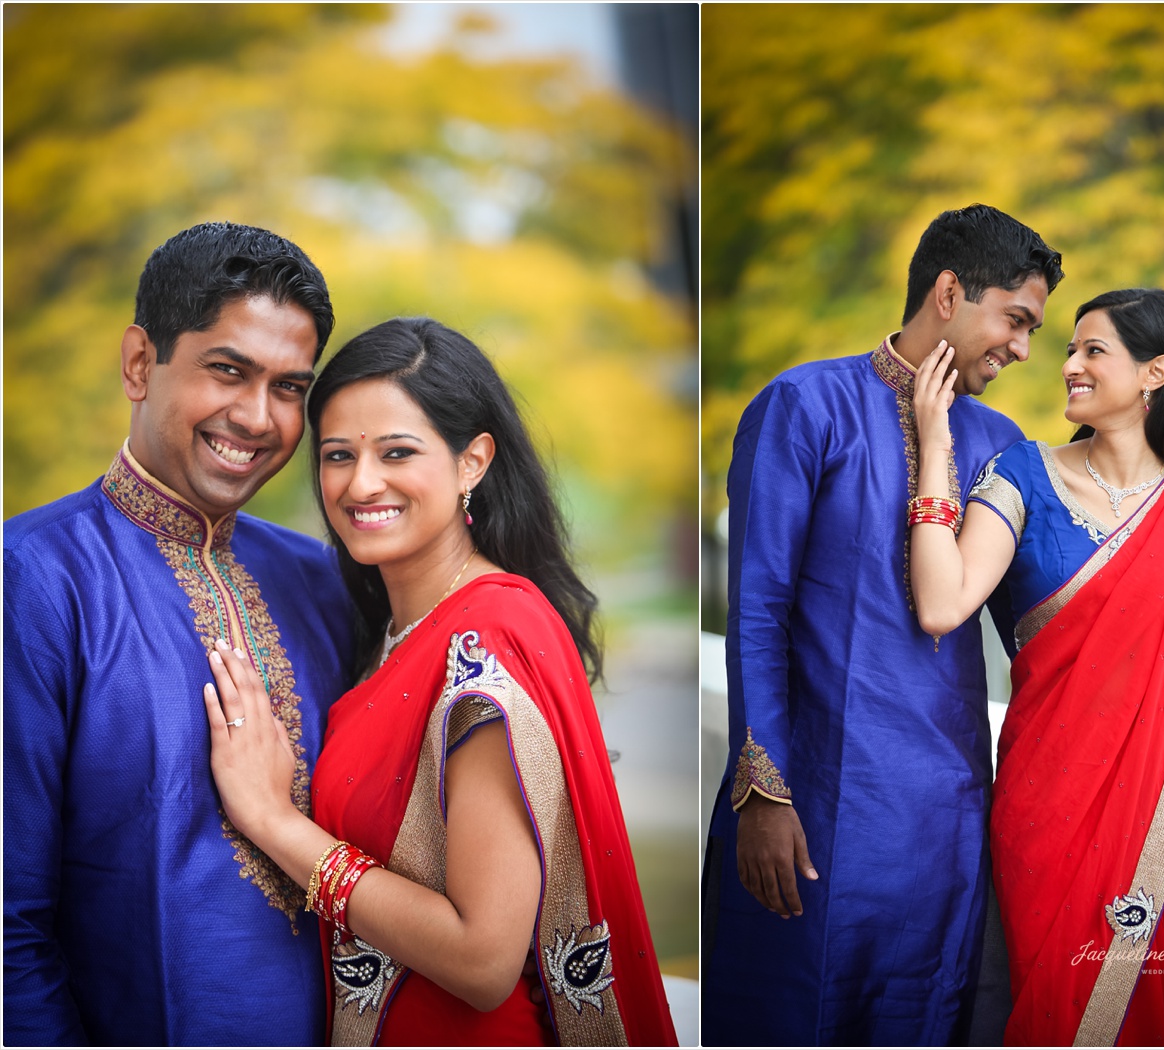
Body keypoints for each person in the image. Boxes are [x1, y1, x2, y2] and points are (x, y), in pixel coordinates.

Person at [201, 317, 678, 1046]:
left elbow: (482, 957)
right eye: (337, 456)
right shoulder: (399, 631)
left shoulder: (481, 650)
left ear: (471, 462)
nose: (362, 483)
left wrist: (273, 823)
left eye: (397, 452)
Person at [702, 204, 1065, 1045]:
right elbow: (758, 608)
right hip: (811, 812)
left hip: (941, 824)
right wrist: (763, 790)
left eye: (1034, 330)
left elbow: (1039, 623)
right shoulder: (803, 405)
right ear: (948, 292)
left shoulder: (1002, 443)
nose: (1022, 348)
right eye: (1015, 320)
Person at [4, 223, 356, 1044]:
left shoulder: (326, 583)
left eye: (289, 388)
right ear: (139, 363)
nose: (258, 417)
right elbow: (7, 925)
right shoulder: (33, 579)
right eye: (227, 371)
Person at [908, 288, 1164, 1045]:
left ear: (1155, 372)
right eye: (1070, 349)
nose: (1069, 365)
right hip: (1047, 800)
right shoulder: (1025, 473)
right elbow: (941, 605)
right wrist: (935, 451)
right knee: (1052, 1001)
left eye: (1093, 351)